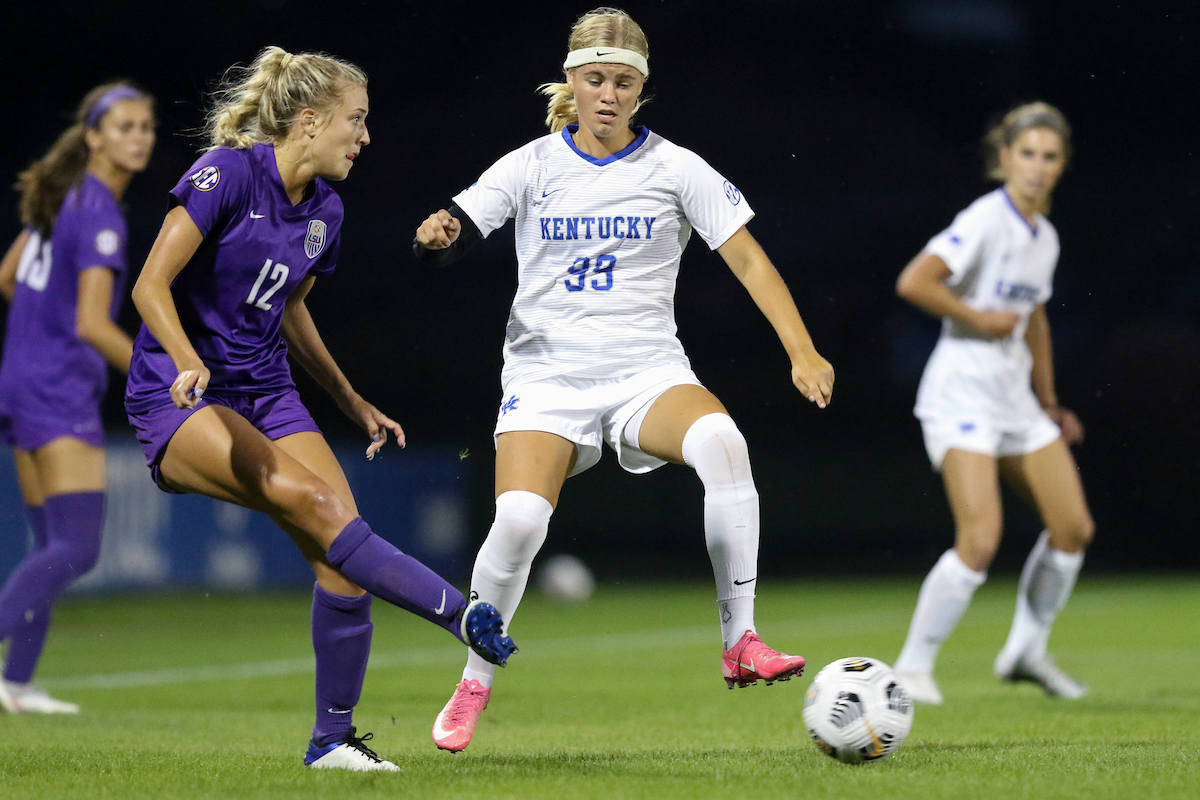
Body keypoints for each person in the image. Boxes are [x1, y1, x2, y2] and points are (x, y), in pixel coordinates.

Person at [414, 7, 834, 752]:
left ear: (642, 88)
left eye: (623, 82)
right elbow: (454, 230)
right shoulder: (530, 166)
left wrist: (802, 350)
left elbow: (748, 259)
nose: (608, 95)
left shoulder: (677, 168)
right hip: (547, 378)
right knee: (520, 522)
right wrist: (434, 236)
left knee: (724, 445)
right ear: (570, 81)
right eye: (595, 79)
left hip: (647, 371)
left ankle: (740, 642)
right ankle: (474, 680)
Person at [123, 46, 516, 771]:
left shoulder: (326, 209)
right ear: (308, 120)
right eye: (354, 120)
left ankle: (331, 741)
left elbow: (290, 308)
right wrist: (185, 359)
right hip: (182, 395)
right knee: (310, 502)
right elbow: (150, 284)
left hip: (268, 391)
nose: (364, 137)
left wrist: (347, 396)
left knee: (342, 556)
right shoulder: (227, 174)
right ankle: (459, 614)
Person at [891, 101, 1094, 704]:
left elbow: (1035, 322)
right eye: (1027, 153)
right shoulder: (985, 218)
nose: (1037, 166)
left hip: (1015, 401)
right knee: (980, 539)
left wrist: (1049, 402)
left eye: (1049, 157)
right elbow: (915, 280)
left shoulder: (1045, 237)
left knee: (1073, 528)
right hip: (961, 396)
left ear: (1061, 166)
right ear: (1004, 157)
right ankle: (913, 667)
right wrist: (977, 318)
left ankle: (1026, 650)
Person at [0, 83, 155, 715]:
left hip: (19, 379)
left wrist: (42, 330)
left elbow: (8, 277)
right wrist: (164, 372)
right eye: (124, 127)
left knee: (48, 545)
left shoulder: (62, 195)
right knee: (78, 547)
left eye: (145, 126)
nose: (139, 137)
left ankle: (16, 683)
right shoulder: (100, 213)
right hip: (57, 389)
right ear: (93, 136)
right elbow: (93, 324)